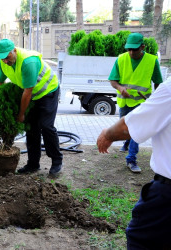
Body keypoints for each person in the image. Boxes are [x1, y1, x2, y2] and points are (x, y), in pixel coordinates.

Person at [97, 78, 171, 249]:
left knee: (143, 240)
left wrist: (107, 134)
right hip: (129, 105)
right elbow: (113, 80)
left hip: (166, 197)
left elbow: (129, 128)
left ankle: (131, 158)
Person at [0, 39, 63, 176]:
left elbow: (27, 92)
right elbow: (0, 81)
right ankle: (33, 164)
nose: (5, 61)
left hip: (47, 92)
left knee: (46, 126)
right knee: (31, 129)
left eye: (7, 57)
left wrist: (21, 114)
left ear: (14, 50)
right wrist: (1, 102)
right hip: (31, 95)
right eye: (2, 58)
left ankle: (56, 161)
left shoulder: (28, 62)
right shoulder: (3, 63)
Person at [108, 32, 163, 173]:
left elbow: (158, 83)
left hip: (142, 103)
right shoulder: (121, 59)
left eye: (135, 49)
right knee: (127, 129)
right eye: (129, 49)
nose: (131, 52)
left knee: (136, 130)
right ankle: (127, 143)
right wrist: (120, 88)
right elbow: (113, 80)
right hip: (124, 103)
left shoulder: (152, 61)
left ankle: (131, 159)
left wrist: (156, 101)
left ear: (142, 47)